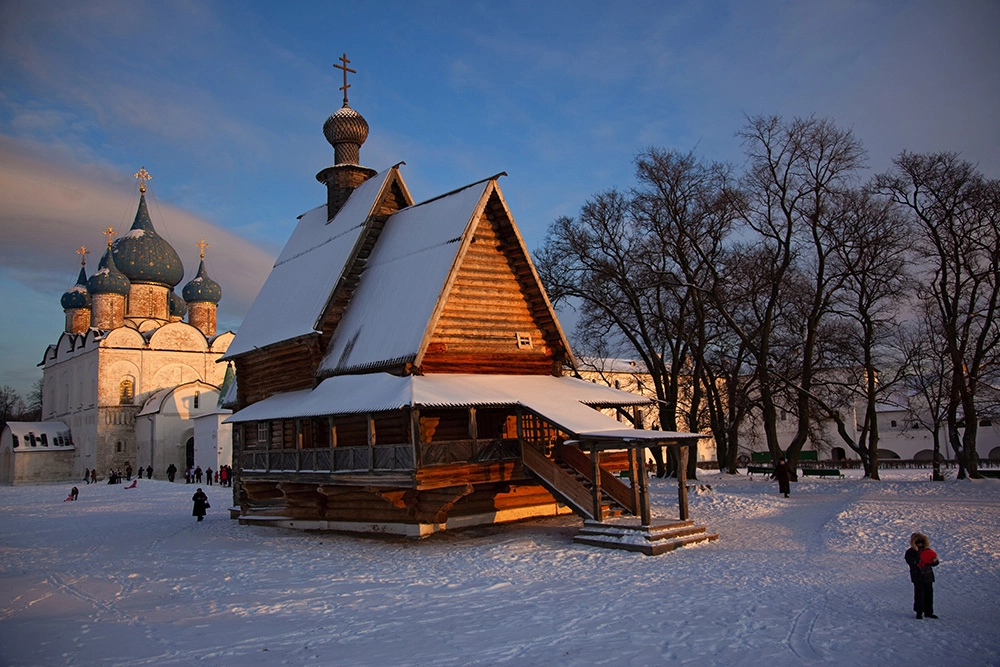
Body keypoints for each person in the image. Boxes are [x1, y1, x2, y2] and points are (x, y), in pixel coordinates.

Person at [905, 532, 940, 619]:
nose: (920, 544)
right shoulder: (910, 552)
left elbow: (935, 562)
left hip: (928, 575)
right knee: (919, 595)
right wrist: (920, 558)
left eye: (921, 542)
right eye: (918, 542)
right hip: (918, 576)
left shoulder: (927, 551)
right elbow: (910, 562)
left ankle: (928, 612)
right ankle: (919, 612)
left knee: (929, 594)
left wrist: (934, 561)